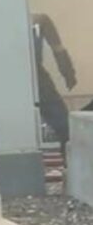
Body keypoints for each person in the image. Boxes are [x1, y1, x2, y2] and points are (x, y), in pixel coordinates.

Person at [32, 13, 77, 162]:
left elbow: (58, 49)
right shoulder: (39, 20)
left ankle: (70, 163)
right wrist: (68, 73)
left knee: (65, 127)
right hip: (36, 78)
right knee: (64, 127)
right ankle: (70, 164)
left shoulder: (39, 20)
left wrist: (68, 72)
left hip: (35, 78)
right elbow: (58, 48)